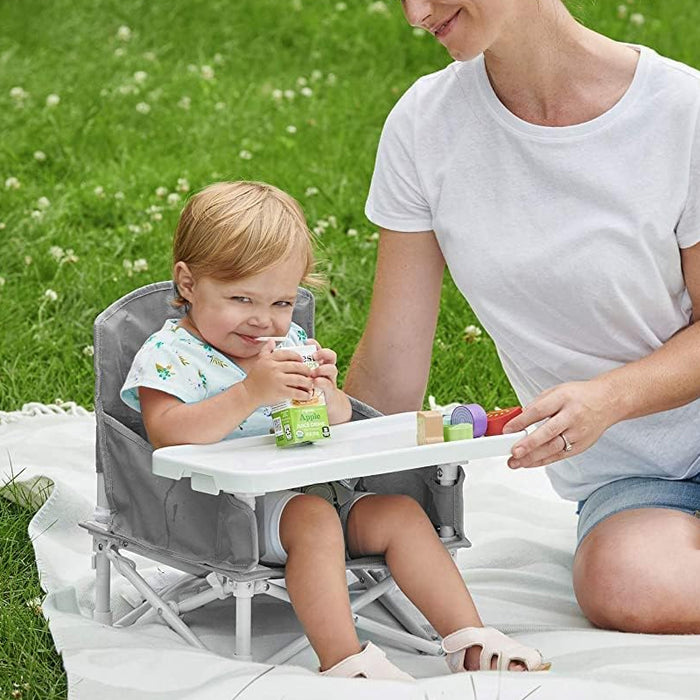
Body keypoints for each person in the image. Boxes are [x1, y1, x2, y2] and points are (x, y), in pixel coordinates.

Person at [345, 0, 700, 635]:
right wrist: (316, 473)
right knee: (625, 583)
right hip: (636, 479)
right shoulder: (426, 128)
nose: (415, 14)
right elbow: (392, 371)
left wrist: (605, 401)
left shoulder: (680, 113)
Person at [119, 180, 549, 678]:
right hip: (224, 514)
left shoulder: (288, 342)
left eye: (282, 303)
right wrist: (248, 393)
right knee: (315, 522)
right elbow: (166, 434)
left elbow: (340, 419)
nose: (265, 321)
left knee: (402, 515)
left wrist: (327, 395)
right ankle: (344, 659)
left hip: (318, 490)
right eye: (242, 299)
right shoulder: (169, 356)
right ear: (188, 284)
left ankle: (467, 639)